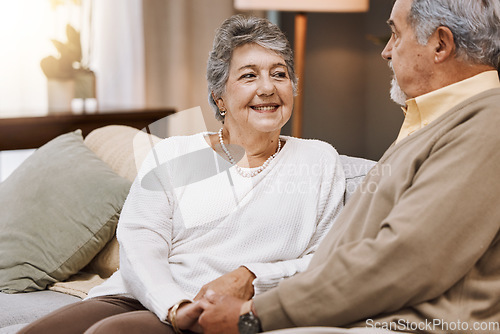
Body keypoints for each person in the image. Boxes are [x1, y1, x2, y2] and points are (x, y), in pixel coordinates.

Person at [19, 15, 346, 334]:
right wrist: (172, 304)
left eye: (279, 74)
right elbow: (140, 242)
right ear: (220, 97)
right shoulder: (176, 154)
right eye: (248, 76)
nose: (267, 88)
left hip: (217, 310)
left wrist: (253, 276)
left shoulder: (318, 161)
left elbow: (327, 261)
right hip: (140, 296)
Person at [187, 0, 500, 333]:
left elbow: (404, 259)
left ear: (440, 44)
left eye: (395, 33)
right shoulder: (435, 123)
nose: (387, 51)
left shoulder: (487, 124)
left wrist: (253, 314)